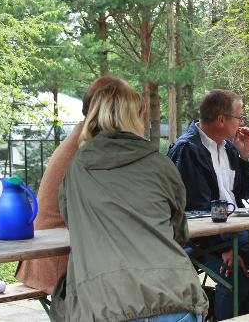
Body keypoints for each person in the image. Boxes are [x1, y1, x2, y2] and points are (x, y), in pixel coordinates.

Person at [49, 78, 208, 321]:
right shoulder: (160, 163)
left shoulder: (77, 169)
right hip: (175, 297)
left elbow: (74, 222)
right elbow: (178, 231)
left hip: (104, 304)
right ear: (135, 117)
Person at [167, 89, 249, 321]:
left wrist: (246, 157)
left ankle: (223, 313)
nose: (241, 123)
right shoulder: (188, 149)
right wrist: (225, 246)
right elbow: (195, 210)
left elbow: (248, 192)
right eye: (239, 117)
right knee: (234, 277)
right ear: (222, 119)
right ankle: (227, 313)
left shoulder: (228, 147)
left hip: (235, 231)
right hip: (200, 238)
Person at [15, 76, 125, 294]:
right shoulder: (90, 149)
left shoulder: (86, 138)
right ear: (113, 111)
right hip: (61, 261)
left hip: (63, 253)